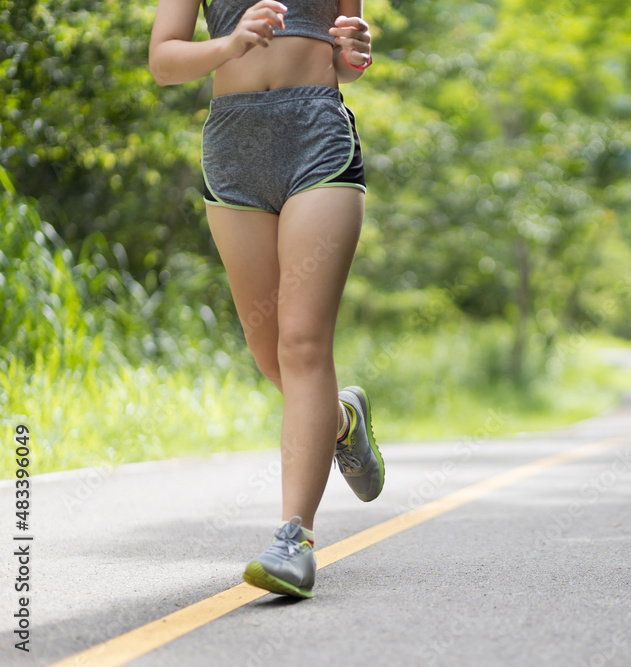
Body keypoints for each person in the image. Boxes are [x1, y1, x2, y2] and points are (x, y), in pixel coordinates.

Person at [149, 0, 383, 599]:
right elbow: (164, 60)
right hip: (233, 148)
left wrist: (354, 52)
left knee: (302, 343)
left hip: (316, 137)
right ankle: (341, 419)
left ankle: (294, 541)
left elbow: (345, 58)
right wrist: (229, 45)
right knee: (267, 349)